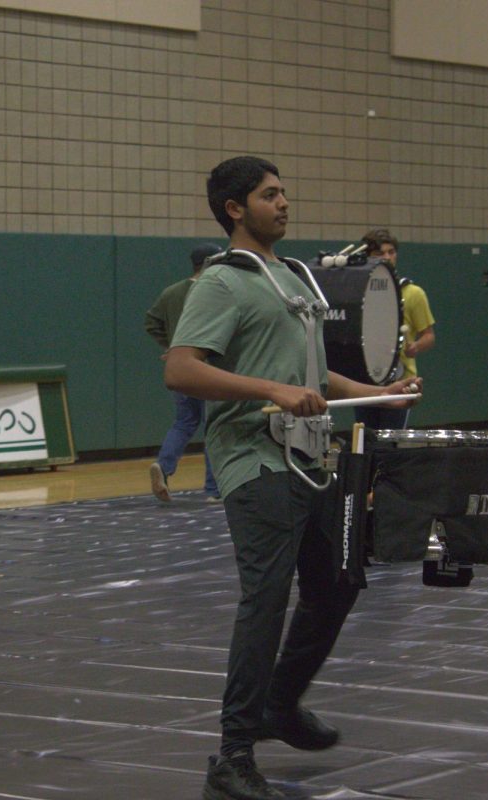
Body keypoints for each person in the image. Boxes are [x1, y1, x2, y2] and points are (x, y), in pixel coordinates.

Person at [165, 156, 421, 800]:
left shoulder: (294, 277)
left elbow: (308, 375)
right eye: (268, 195)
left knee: (337, 583)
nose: (284, 202)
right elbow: (182, 369)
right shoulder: (222, 283)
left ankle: (278, 705)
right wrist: (270, 390)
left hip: (310, 458)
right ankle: (232, 755)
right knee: (266, 598)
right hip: (256, 462)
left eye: (283, 192)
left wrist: (376, 392)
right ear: (234, 209)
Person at [146, 242, 223, 502]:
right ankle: (214, 490)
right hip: (208, 369)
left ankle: (164, 466)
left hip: (179, 369)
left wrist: (170, 347)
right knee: (214, 426)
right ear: (213, 262)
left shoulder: (171, 292)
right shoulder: (214, 291)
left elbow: (151, 321)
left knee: (185, 422)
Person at [354, 228, 435, 430]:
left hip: (401, 379)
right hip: (366, 379)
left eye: (391, 252)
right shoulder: (358, 292)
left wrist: (416, 346)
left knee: (391, 441)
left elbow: (429, 336)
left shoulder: (413, 293)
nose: (387, 257)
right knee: (365, 438)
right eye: (380, 253)